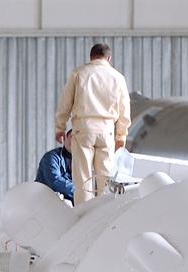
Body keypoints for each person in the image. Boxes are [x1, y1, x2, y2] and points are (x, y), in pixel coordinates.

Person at [54, 42, 131, 202]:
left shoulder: (79, 73)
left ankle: (83, 215)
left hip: (83, 129)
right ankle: (106, 215)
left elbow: (65, 103)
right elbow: (124, 110)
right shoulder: (118, 78)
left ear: (91, 57)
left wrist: (60, 127)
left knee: (82, 178)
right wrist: (121, 136)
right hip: (107, 130)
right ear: (108, 58)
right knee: (106, 177)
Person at [35, 131, 74, 203]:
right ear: (65, 138)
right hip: (45, 203)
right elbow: (55, 182)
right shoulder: (51, 157)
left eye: (77, 138)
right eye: (72, 137)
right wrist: (80, 191)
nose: (74, 141)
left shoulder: (83, 161)